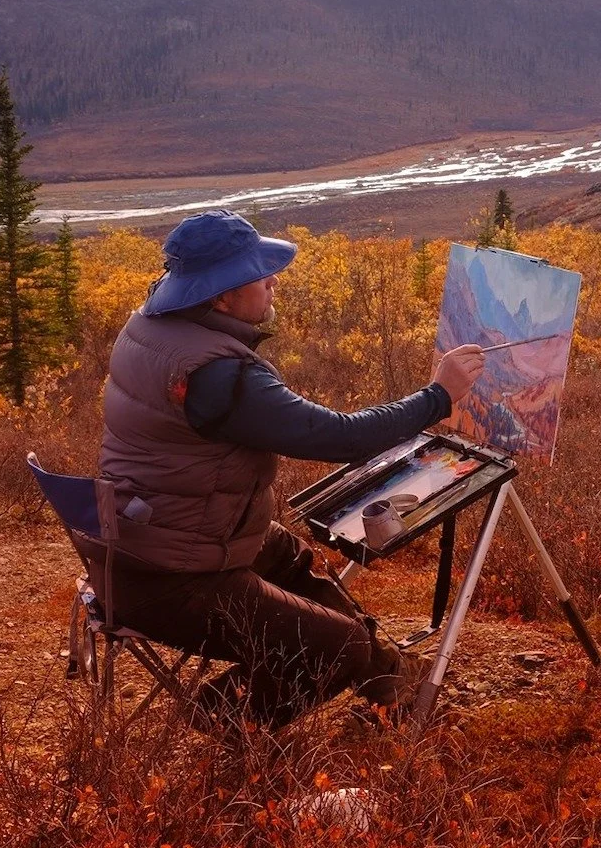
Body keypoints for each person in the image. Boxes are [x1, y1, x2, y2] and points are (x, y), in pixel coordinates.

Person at [97, 209, 486, 730]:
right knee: (337, 646)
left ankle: (387, 675)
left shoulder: (150, 325)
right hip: (171, 577)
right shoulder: (216, 376)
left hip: (143, 539)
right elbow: (341, 437)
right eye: (260, 274)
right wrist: (438, 396)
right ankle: (220, 716)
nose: (272, 281)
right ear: (221, 295)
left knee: (282, 551)